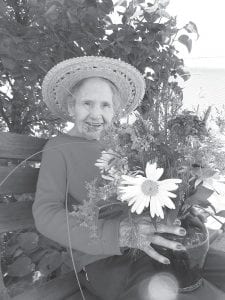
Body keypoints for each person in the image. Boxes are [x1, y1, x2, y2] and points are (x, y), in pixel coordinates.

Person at [32, 56, 225, 300]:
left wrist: (181, 204)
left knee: (216, 266)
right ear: (71, 107)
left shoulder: (121, 144)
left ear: (115, 111)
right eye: (87, 103)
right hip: (106, 258)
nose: (96, 113)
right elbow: (46, 213)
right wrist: (117, 234)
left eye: (105, 105)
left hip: (152, 238)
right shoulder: (58, 149)